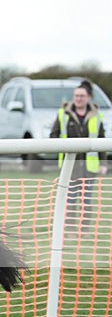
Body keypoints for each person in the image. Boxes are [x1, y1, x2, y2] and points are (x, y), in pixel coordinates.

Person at [49, 79, 107, 236]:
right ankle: (70, 229)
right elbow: (53, 135)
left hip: (89, 166)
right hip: (70, 165)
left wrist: (103, 163)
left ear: (88, 97)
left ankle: (84, 230)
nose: (78, 98)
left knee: (86, 201)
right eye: (76, 95)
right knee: (70, 199)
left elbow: (101, 139)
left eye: (81, 95)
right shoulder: (63, 114)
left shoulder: (97, 115)